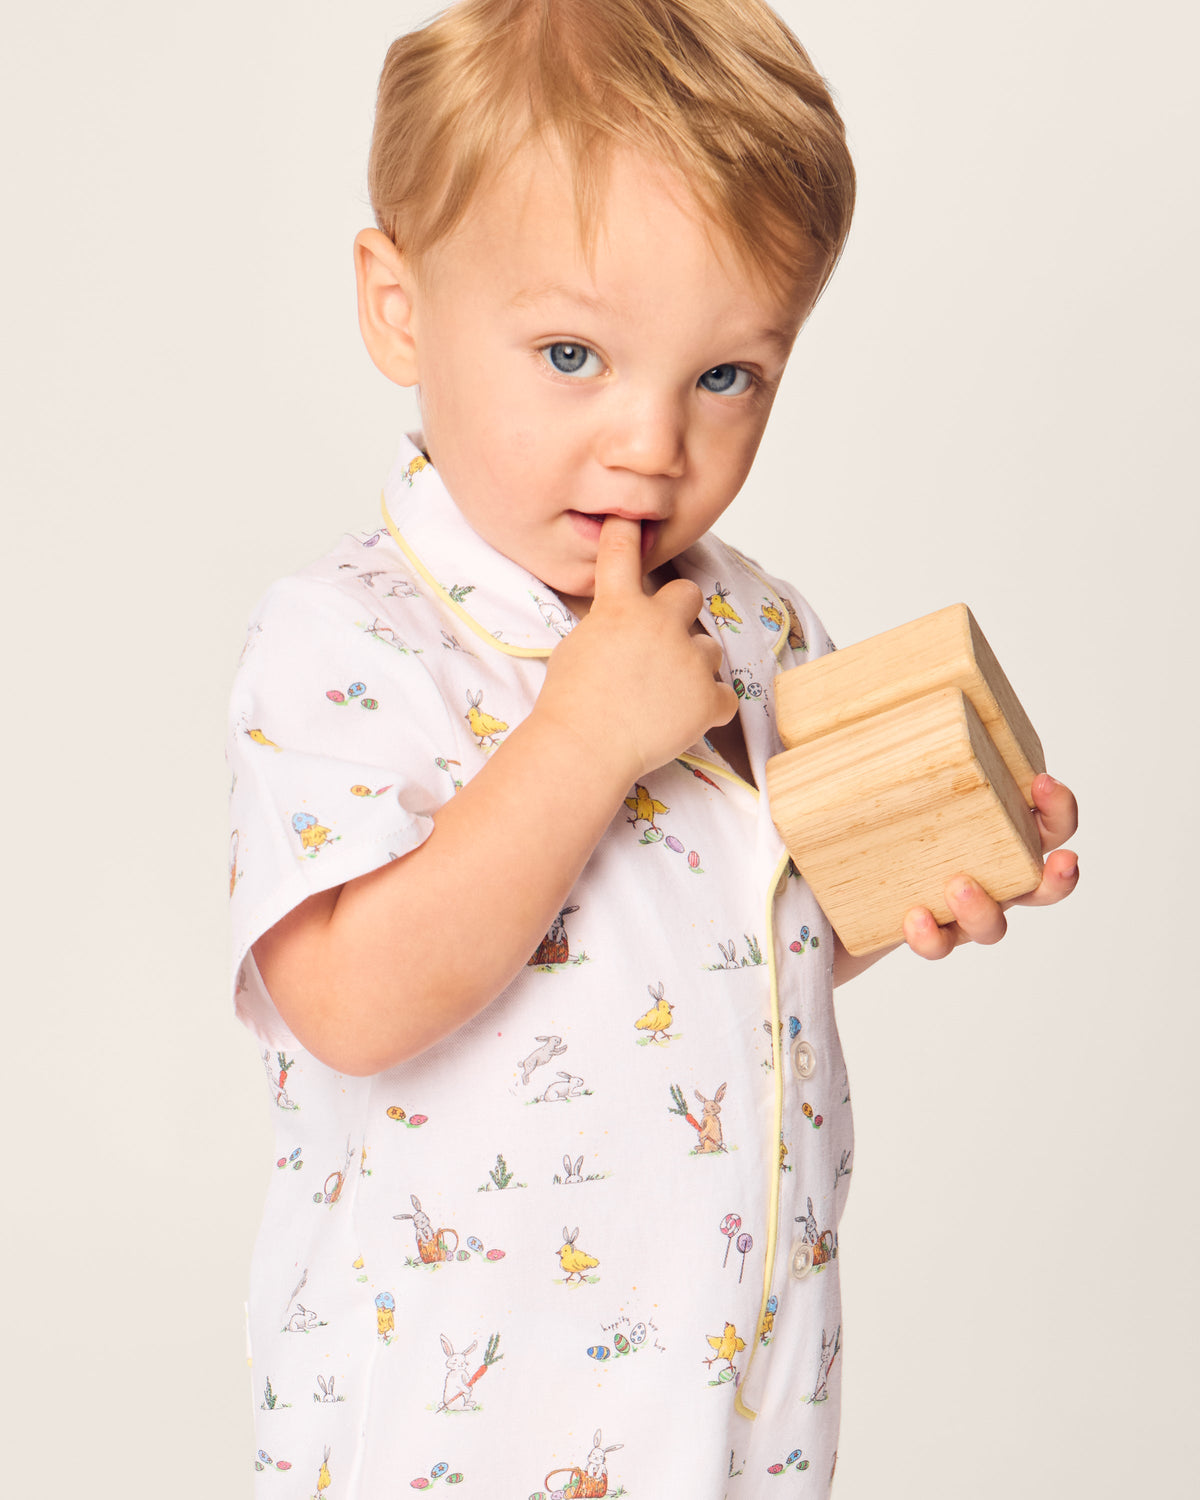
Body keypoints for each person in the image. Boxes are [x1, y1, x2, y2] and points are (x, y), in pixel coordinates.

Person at [226, 1, 1079, 1494]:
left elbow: (718, 932)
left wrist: (905, 868)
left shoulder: (749, 621)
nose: (651, 443)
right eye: (573, 353)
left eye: (727, 376)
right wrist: (581, 735)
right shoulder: (353, 640)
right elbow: (350, 1004)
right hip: (461, 1424)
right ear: (399, 305)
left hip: (734, 1405)